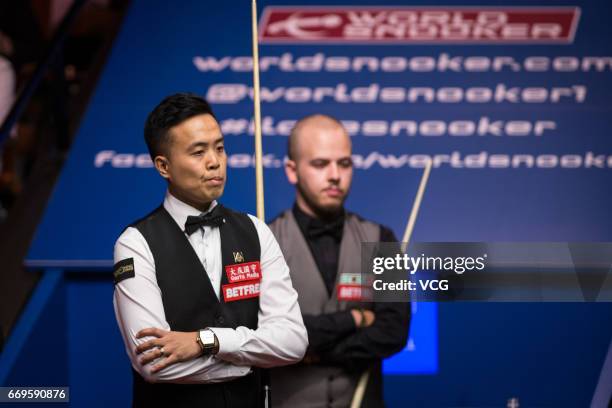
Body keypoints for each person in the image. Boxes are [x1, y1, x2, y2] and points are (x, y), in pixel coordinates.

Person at [113, 93, 308, 407]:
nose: (215, 161)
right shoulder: (135, 243)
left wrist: (206, 341)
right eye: (198, 151)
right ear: (163, 166)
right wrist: (250, 360)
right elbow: (154, 363)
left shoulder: (256, 231)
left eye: (219, 147)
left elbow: (293, 342)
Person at [269, 114, 411, 407]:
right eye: (320, 164)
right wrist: (355, 319)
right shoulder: (263, 241)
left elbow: (394, 331)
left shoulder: (381, 238)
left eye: (344, 163)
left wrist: (316, 352)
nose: (335, 175)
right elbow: (268, 333)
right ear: (292, 171)